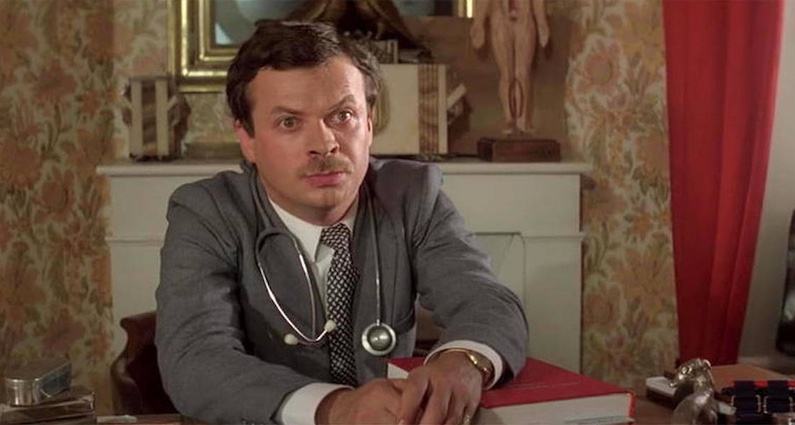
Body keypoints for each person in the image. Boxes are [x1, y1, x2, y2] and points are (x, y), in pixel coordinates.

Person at [155, 21, 528, 425]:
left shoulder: (411, 195)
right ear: (247, 139)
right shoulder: (208, 212)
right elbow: (195, 359)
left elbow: (488, 301)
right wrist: (335, 407)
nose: (324, 144)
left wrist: (464, 360)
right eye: (289, 122)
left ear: (369, 124)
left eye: (343, 115)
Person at [471, 0, 550, 135]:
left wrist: (542, 20)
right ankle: (509, 120)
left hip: (524, 14)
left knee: (522, 74)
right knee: (506, 75)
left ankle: (522, 122)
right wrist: (478, 22)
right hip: (500, 15)